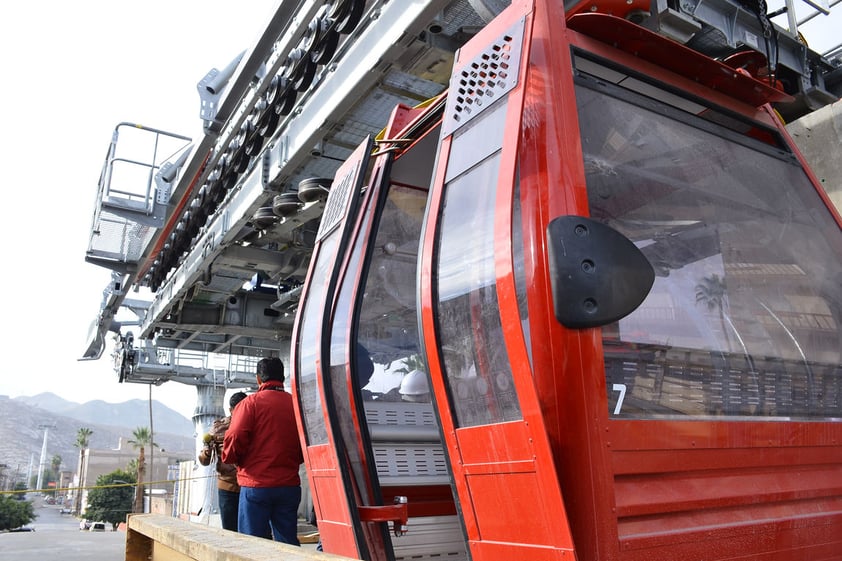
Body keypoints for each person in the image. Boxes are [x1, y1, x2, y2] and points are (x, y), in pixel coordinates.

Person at [222, 357, 304, 545]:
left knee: (253, 546)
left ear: (259, 379)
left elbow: (234, 437)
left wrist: (233, 459)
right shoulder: (297, 405)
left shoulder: (249, 404)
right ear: (282, 378)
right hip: (289, 485)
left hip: (256, 486)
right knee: (288, 545)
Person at [198, 391, 247, 532]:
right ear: (230, 410)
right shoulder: (218, 428)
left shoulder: (256, 425)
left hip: (250, 487)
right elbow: (204, 460)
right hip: (228, 487)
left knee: (251, 533)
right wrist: (207, 451)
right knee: (230, 531)